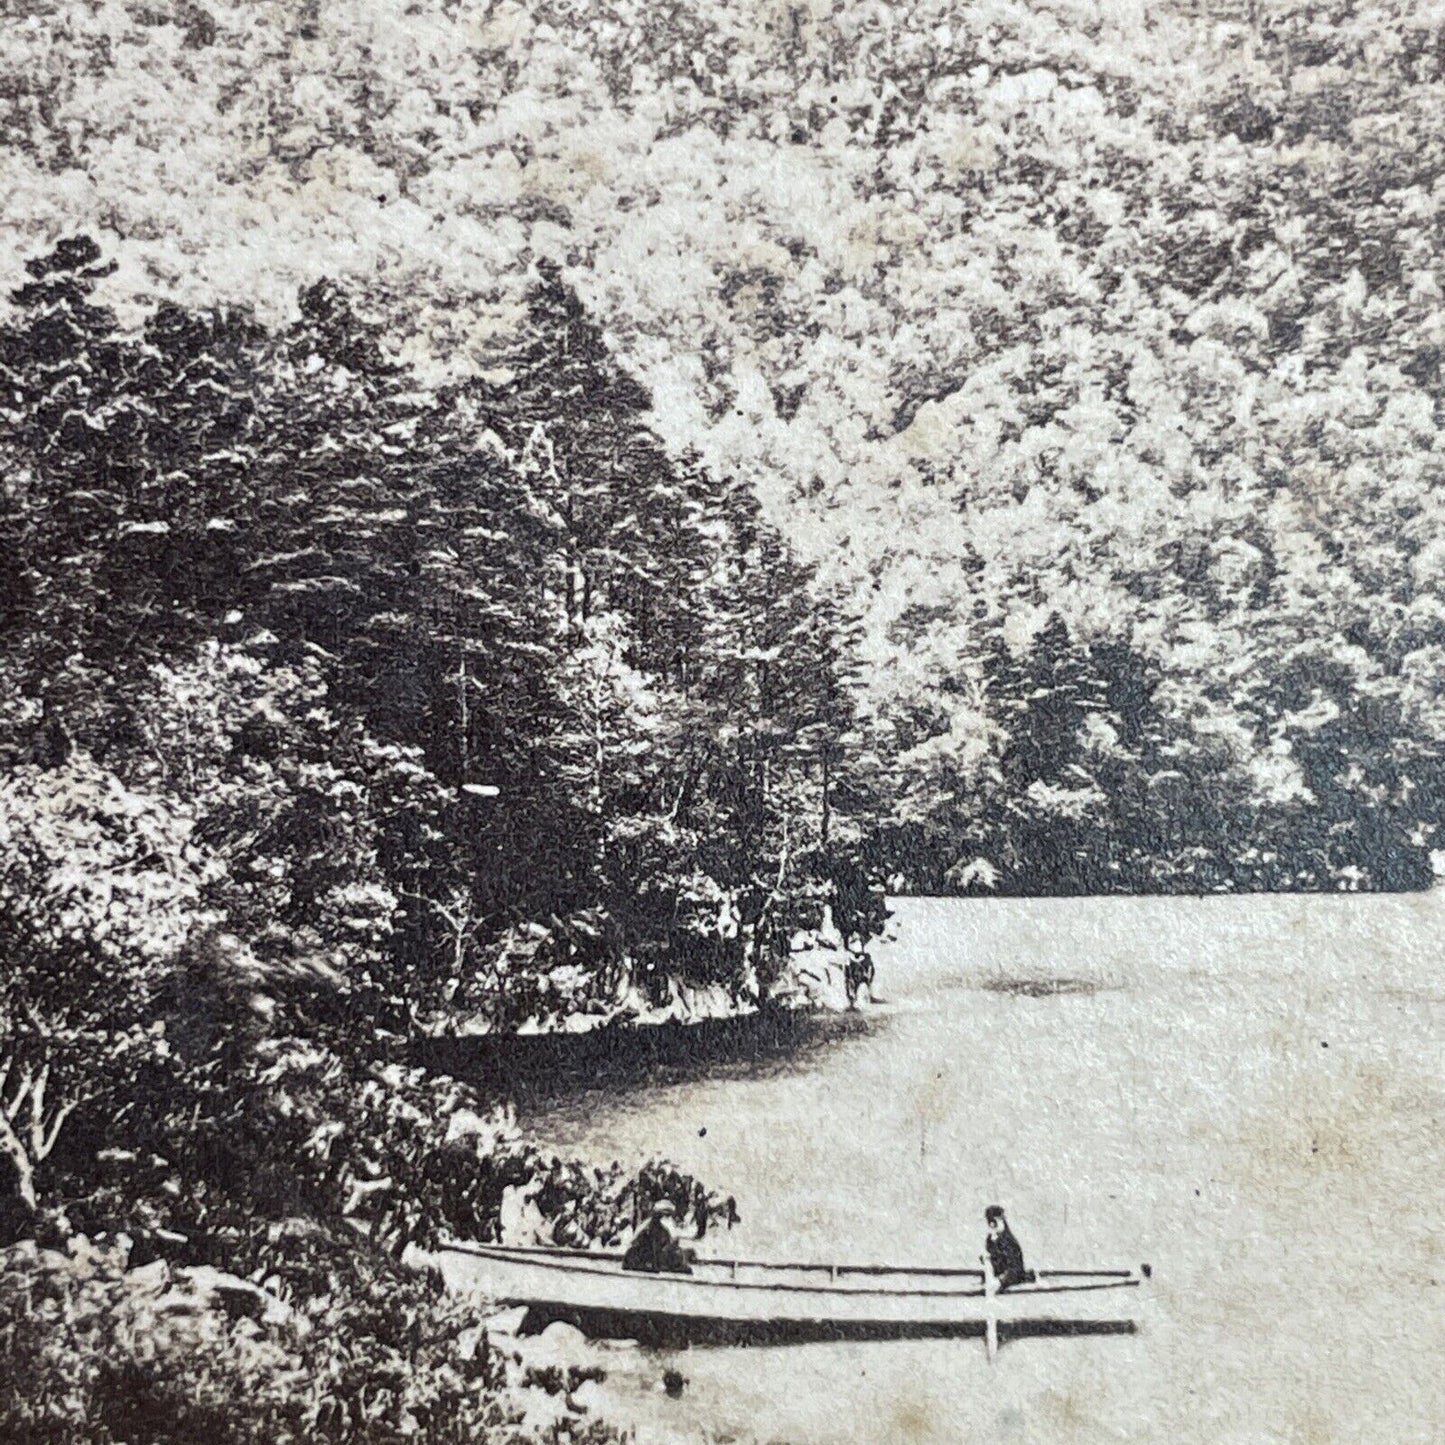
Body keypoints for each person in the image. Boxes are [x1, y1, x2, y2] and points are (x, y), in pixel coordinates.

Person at [622, 1198, 695, 1274]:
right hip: (646, 1257)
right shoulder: (652, 1226)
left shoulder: (657, 1225)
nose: (668, 1217)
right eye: (666, 1214)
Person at [983, 1205, 1035, 1291]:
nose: (991, 1225)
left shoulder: (1009, 1242)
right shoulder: (991, 1238)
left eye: (994, 1221)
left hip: (1010, 1279)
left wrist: (1000, 1282)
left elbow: (1015, 1269)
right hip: (998, 1277)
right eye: (990, 1222)